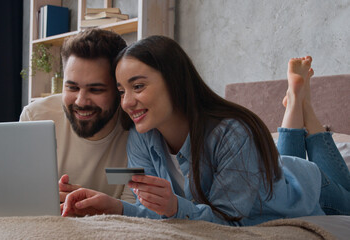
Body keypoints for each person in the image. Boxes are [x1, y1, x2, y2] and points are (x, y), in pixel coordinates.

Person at [62, 35, 350, 226]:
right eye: (122, 91)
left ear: (174, 81)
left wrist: (175, 206)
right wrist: (114, 206)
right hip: (272, 173)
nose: (126, 102)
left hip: (309, 189)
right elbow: (158, 214)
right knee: (282, 161)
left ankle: (304, 109)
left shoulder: (232, 134)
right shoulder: (141, 138)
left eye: (138, 87)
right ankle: (298, 103)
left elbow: (228, 223)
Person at [20, 29, 135, 206]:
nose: (81, 101)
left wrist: (91, 204)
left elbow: (134, 212)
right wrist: (38, 197)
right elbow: (21, 193)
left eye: (96, 90)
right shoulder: (35, 117)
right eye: (72, 88)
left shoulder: (137, 130)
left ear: (119, 90)